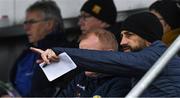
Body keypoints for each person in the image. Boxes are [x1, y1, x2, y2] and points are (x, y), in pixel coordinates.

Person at [31, 12, 180, 97]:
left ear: (147, 37)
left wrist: (62, 53)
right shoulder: (144, 62)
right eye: (121, 36)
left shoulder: (157, 54)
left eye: (129, 35)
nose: (122, 42)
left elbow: (108, 60)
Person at [9, 0, 69, 96]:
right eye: (26, 23)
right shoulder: (28, 51)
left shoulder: (60, 53)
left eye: (31, 22)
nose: (26, 28)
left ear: (49, 24)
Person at [57, 29, 130, 97]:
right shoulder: (81, 78)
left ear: (109, 54)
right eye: (80, 54)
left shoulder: (121, 82)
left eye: (89, 54)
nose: (82, 59)